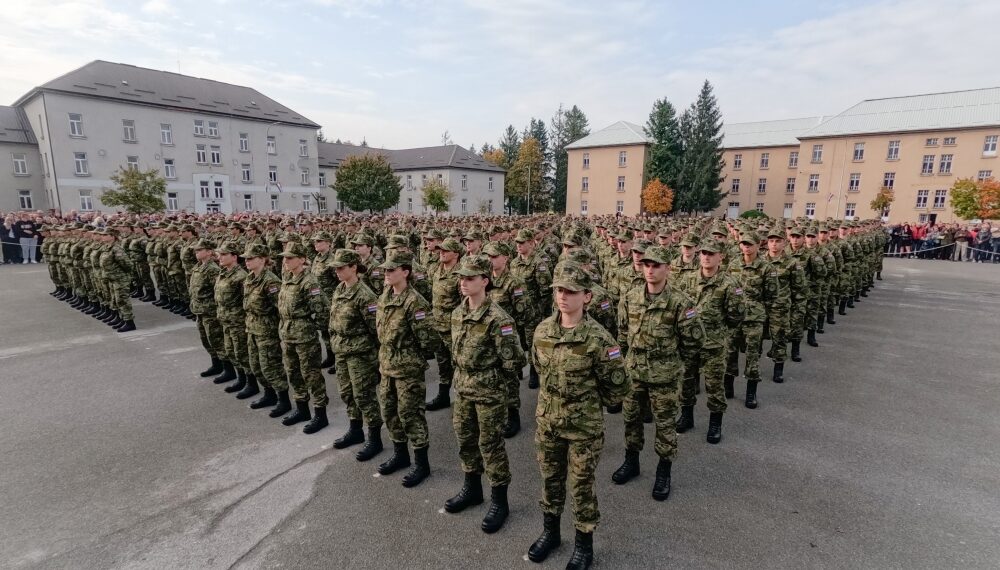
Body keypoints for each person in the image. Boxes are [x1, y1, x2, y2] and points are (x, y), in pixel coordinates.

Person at [527, 262, 628, 570]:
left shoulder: (600, 340)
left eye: (570, 291)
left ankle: (584, 543)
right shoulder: (543, 331)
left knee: (581, 485)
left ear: (586, 296)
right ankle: (551, 533)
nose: (563, 297)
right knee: (550, 479)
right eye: (559, 290)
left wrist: (587, 404)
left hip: (583, 428)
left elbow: (618, 387)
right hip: (548, 423)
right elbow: (538, 368)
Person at [444, 254, 525, 533]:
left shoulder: (498, 318)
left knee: (490, 446)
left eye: (470, 278)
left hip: (489, 393)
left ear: (484, 281)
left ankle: (499, 501)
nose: (463, 282)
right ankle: (472, 489)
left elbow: (514, 362)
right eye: (461, 278)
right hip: (463, 389)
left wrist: (493, 383)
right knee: (466, 440)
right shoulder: (458, 313)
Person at [612, 245, 687, 501]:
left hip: (664, 377)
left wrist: (672, 364)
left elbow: (692, 342)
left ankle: (663, 472)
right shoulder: (631, 296)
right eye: (647, 265)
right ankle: (631, 462)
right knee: (631, 419)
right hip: (634, 372)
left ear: (668, 267)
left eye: (656, 265)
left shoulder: (679, 302)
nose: (651, 270)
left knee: (665, 425)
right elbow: (622, 333)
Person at [374, 250, 442, 487]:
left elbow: (430, 341)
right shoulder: (385, 296)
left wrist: (409, 354)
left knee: (411, 415)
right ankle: (400, 454)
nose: (387, 274)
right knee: (390, 412)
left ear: (405, 272)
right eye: (385, 270)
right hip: (387, 367)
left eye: (392, 270)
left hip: (408, 370)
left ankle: (421, 463)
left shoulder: (415, 302)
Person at [675, 240, 745, 443]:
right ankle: (687, 416)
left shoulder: (729, 284)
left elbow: (736, 316)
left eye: (711, 253)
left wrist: (719, 332)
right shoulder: (687, 279)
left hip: (714, 344)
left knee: (714, 385)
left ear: (720, 257)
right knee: (686, 381)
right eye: (704, 252)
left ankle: (715, 424)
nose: (706, 256)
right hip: (689, 343)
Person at [327, 248, 384, 462]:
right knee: (347, 392)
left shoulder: (365, 296)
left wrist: (375, 357)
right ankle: (355, 429)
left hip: (360, 353)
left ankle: (374, 438)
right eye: (336, 269)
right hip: (342, 350)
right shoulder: (339, 289)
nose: (338, 272)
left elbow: (375, 329)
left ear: (353, 267)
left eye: (341, 268)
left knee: (364, 396)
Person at [277, 242, 332, 434]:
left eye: (290, 258)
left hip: (304, 336)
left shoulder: (309, 282)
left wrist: (311, 327)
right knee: (293, 372)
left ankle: (320, 414)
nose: (285, 261)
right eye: (285, 257)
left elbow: (322, 311)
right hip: (288, 333)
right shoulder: (287, 277)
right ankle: (301, 409)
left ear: (301, 259)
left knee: (311, 374)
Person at [242, 243, 289, 413]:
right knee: (256, 366)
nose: (247, 261)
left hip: (267, 332)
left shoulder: (270, 282)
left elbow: (280, 308)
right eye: (246, 259)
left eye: (250, 258)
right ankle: (269, 395)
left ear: (262, 259)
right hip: (252, 328)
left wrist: (279, 332)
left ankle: (283, 400)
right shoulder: (250, 278)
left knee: (271, 366)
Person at [426, 237, 463, 411]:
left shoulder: (461, 275)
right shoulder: (437, 270)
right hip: (437, 326)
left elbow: (465, 305)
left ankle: (462, 399)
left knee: (458, 364)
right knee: (442, 363)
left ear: (455, 253)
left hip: (453, 329)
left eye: (445, 250)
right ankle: (443, 395)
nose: (441, 252)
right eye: (440, 249)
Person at [214, 242, 252, 396]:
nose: (220, 258)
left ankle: (251, 383)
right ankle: (240, 378)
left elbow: (247, 302)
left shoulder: (241, 276)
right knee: (231, 351)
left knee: (242, 353)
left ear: (234, 257)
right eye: (219, 255)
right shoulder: (223, 273)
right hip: (226, 320)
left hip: (237, 321)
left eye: (224, 255)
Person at [189, 239, 226, 380]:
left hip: (210, 312)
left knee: (217, 340)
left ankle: (226, 369)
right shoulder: (198, 267)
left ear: (209, 252)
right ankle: (216, 364)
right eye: (196, 250)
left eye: (199, 250)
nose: (196, 252)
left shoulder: (213, 269)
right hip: (200, 311)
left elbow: (218, 292)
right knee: (206, 340)